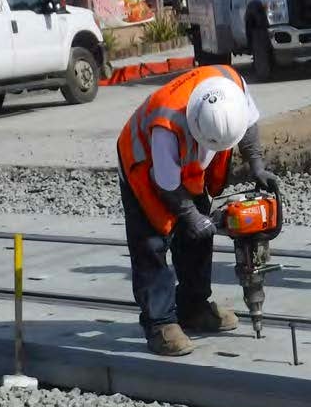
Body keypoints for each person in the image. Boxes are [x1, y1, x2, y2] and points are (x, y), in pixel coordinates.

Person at [117, 64, 279, 357]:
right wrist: (189, 216)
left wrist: (256, 165)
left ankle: (193, 306)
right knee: (152, 243)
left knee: (200, 235)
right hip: (144, 164)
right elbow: (166, 184)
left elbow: (249, 123)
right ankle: (159, 324)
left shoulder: (232, 85)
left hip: (187, 164)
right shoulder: (166, 123)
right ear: (195, 124)